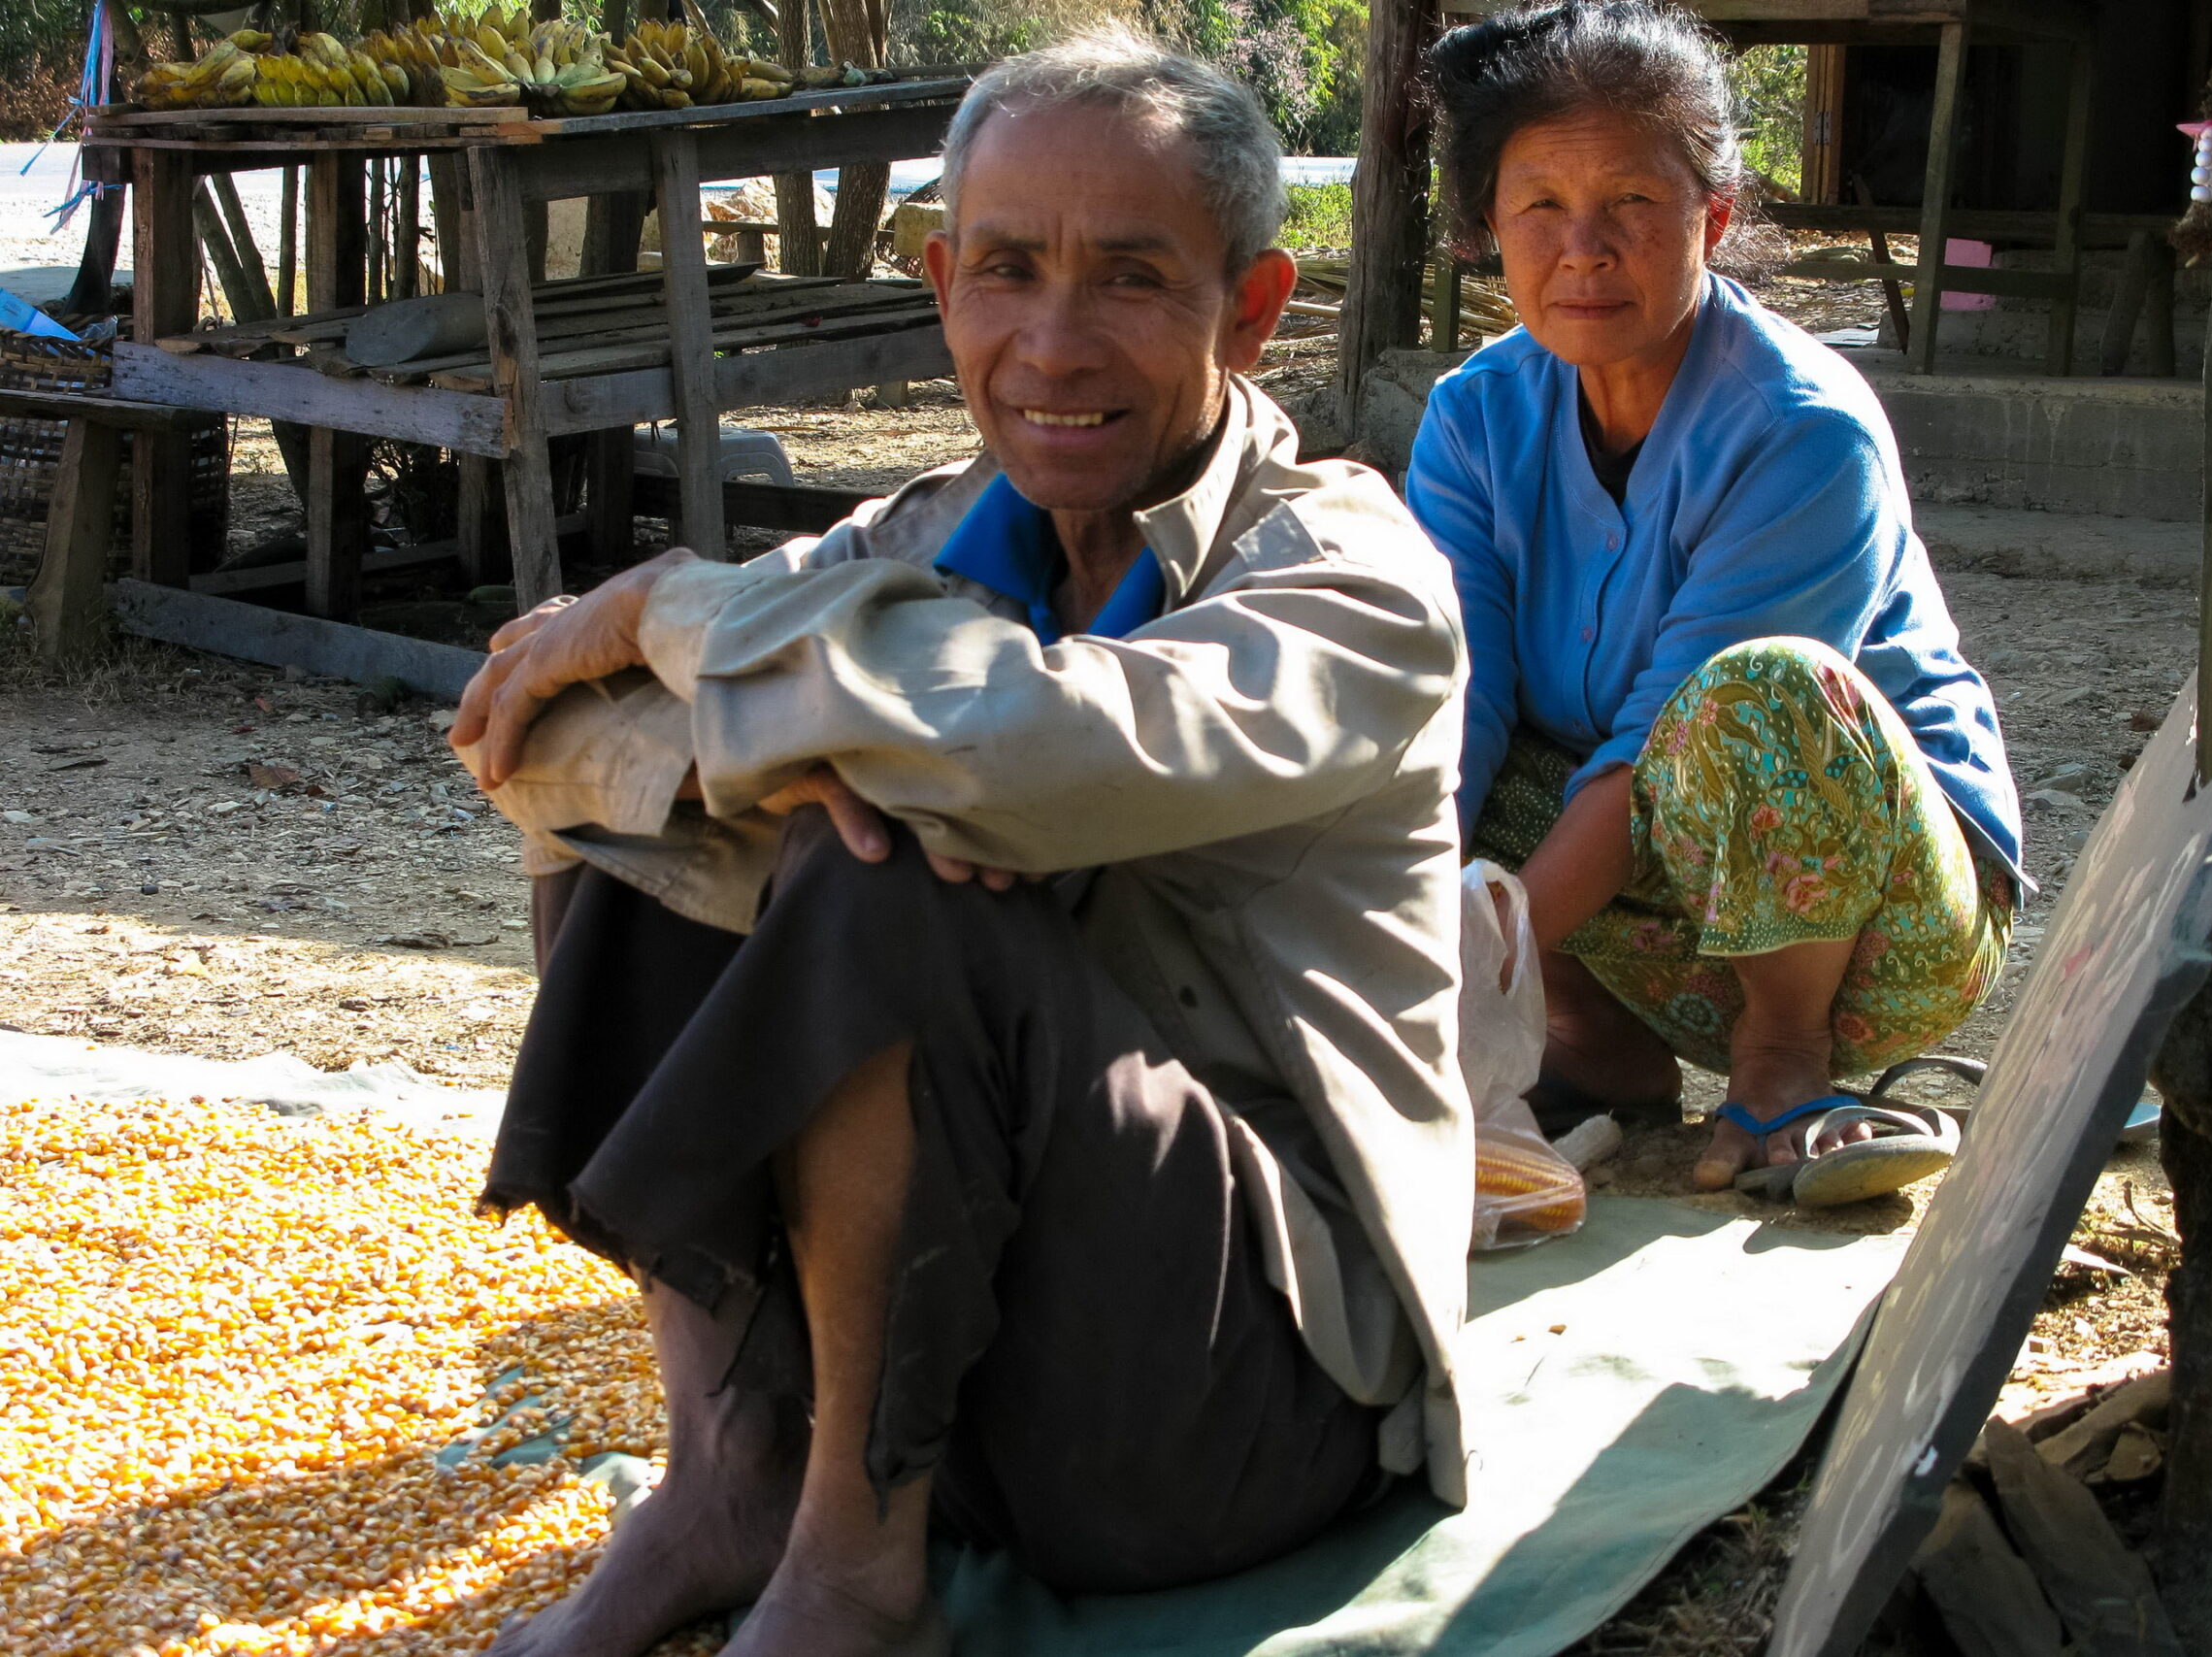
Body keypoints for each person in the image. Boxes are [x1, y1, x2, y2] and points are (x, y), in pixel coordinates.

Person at [448, 33, 1471, 1657]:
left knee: (886, 864)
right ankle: (731, 1466)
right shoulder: (923, 534)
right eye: (1006, 270)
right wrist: (758, 750)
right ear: (943, 288)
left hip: (1229, 1405)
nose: (1053, 343)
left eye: (1131, 277)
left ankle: (857, 1570)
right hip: (961, 1356)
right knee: (697, 813)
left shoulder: (1353, 580)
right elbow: (530, 733)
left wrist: (686, 628)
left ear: (1253, 309)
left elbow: (1030, 746)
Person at [1403, 0, 2025, 1203]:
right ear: (1488, 228)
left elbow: (1654, 748)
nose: (1584, 248)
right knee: (1399, 729)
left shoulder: (1802, 431)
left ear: (1713, 218)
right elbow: (1450, 702)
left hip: (1882, 935)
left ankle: (1782, 1059)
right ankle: (1592, 1045)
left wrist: (1465, 968)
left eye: (1632, 202)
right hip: (1658, 926)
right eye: (1540, 206)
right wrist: (1401, 945)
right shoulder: (1473, 417)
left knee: (1760, 691)